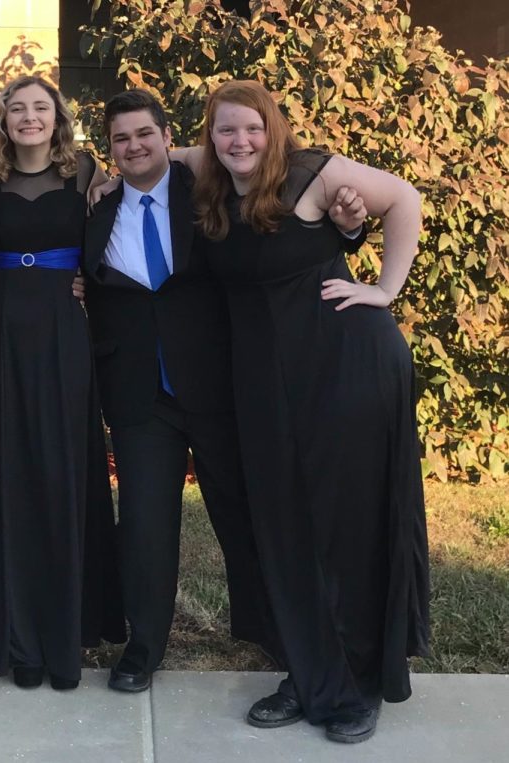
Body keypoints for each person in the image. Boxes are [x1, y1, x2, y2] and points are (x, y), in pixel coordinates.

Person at [83, 89, 368, 694]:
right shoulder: (96, 209)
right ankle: (144, 645)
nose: (134, 147)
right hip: (139, 397)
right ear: (109, 152)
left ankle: (277, 633)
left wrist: (349, 229)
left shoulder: (207, 194)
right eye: (120, 139)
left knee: (247, 516)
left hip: (223, 385)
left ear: (168, 138)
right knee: (143, 523)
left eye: (144, 134)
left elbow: (277, 239)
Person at [182, 79, 430, 744]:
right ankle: (307, 668)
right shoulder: (208, 176)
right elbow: (153, 153)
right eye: (226, 130)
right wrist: (94, 173)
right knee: (283, 520)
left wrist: (384, 287)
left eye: (253, 129)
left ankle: (356, 681)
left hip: (345, 363)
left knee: (345, 519)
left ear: (275, 130)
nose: (240, 141)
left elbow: (405, 198)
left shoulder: (313, 173)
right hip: (265, 378)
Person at [0, 76, 125, 691]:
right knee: (6, 472)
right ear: (3, 120)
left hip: (62, 330)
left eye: (41, 108)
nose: (29, 118)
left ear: (58, 118)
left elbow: (113, 241)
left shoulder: (88, 175)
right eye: (17, 109)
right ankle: (17, 639)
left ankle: (65, 636)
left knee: (62, 472)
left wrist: (80, 279)